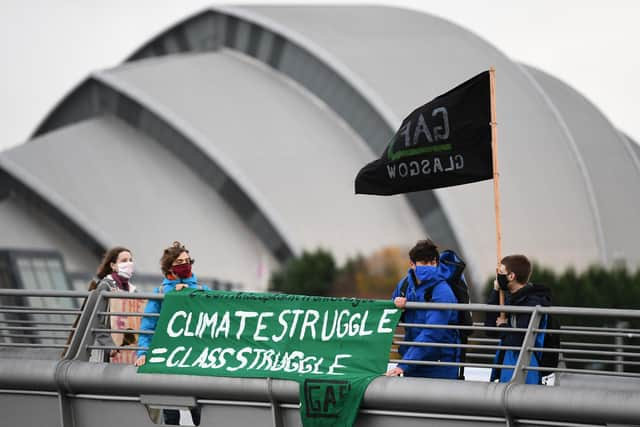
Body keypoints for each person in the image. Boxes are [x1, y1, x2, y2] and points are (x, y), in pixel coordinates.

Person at [135, 241, 208, 425]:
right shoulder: (159, 292)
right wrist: (143, 352)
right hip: (168, 355)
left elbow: (213, 307)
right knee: (170, 408)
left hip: (194, 355)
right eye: (180, 262)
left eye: (188, 260)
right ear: (170, 267)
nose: (186, 264)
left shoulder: (201, 289)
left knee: (199, 407)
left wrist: (189, 292)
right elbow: (148, 325)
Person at [385, 239, 460, 379]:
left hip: (439, 365)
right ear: (412, 265)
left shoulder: (442, 292)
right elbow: (388, 316)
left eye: (433, 263)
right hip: (412, 362)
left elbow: (433, 333)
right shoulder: (405, 285)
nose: (430, 267)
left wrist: (404, 364)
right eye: (424, 263)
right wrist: (396, 308)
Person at [485, 254, 552, 384]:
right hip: (509, 366)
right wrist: (495, 291)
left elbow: (521, 340)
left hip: (526, 370)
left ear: (511, 276)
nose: (498, 276)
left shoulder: (532, 303)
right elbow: (490, 329)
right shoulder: (511, 299)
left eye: (501, 272)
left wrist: (503, 327)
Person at [89, 246, 141, 363]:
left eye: (130, 260)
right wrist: (109, 345)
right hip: (106, 353)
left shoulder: (133, 290)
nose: (129, 264)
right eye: (124, 261)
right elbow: (96, 320)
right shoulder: (105, 286)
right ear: (113, 266)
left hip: (126, 352)